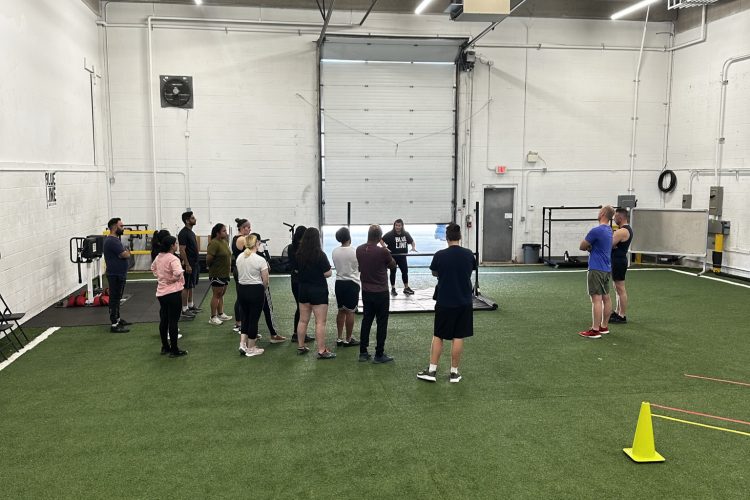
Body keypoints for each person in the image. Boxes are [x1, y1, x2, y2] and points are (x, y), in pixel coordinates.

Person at [417, 223, 476, 383]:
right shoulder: (469, 254)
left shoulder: (440, 255)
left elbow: (435, 272)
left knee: (438, 335)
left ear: (447, 237)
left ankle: (432, 371)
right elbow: (470, 269)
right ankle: (454, 373)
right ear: (460, 236)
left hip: (445, 301)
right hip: (464, 301)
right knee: (458, 336)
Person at [356, 224, 397, 363]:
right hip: (381, 292)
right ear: (380, 237)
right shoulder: (383, 252)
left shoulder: (359, 250)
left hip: (366, 291)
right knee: (382, 323)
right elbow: (393, 266)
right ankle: (379, 354)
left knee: (366, 321)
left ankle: (363, 352)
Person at [295, 227, 335, 359]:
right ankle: (322, 350)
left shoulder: (299, 254)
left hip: (303, 290)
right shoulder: (320, 254)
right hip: (318, 291)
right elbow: (328, 272)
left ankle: (301, 346)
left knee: (303, 320)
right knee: (320, 322)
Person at [578, 205, 615, 339]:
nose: (598, 213)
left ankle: (595, 330)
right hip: (606, 268)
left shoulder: (597, 230)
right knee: (606, 297)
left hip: (596, 268)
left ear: (603, 213)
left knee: (596, 299)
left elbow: (582, 246)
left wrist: (589, 247)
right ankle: (603, 326)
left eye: (600, 211)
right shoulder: (609, 230)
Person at [151, 234, 187, 357]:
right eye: (176, 243)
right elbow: (178, 273)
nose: (177, 245)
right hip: (172, 293)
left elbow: (153, 269)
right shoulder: (173, 258)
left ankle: (165, 347)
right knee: (173, 321)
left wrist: (162, 278)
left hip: (161, 293)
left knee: (164, 320)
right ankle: (174, 349)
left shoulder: (159, 257)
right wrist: (172, 280)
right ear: (172, 246)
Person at [234, 234, 267, 357]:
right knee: (253, 319)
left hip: (242, 290)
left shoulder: (239, 257)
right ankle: (252, 347)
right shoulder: (260, 260)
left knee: (245, 318)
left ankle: (242, 344)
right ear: (256, 244)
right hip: (255, 290)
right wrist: (262, 289)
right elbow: (265, 280)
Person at [249, 232, 286, 343]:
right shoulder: (260, 257)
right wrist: (264, 287)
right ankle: (273, 335)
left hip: (247, 288)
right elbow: (267, 271)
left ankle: (252, 335)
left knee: (252, 312)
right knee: (268, 310)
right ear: (258, 242)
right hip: (260, 287)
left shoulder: (243, 256)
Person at [331, 227, 360, 347]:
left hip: (339, 283)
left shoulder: (334, 251)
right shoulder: (354, 252)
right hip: (352, 283)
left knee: (341, 311)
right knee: (350, 312)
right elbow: (359, 267)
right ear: (349, 237)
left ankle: (339, 338)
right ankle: (348, 339)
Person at [102, 217, 131, 333]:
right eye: (121, 226)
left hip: (118, 273)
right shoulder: (112, 241)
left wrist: (125, 253)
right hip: (115, 274)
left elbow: (123, 254)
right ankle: (114, 324)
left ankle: (118, 319)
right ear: (114, 227)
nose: (123, 228)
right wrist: (126, 252)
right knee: (114, 298)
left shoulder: (114, 240)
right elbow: (125, 254)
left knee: (118, 297)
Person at [289, 225, 314, 344]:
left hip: (294, 280)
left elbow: (294, 265)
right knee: (302, 308)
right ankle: (298, 334)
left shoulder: (290, 247)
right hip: (302, 281)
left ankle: (297, 333)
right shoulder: (303, 248)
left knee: (299, 307)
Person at [381, 218, 417, 296]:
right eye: (396, 225)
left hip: (403, 257)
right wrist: (384, 247)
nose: (397, 227)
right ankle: (393, 289)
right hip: (393, 257)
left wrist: (413, 247)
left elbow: (412, 241)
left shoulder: (406, 234)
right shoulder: (390, 234)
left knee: (405, 272)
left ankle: (406, 288)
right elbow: (381, 240)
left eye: (399, 225)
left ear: (402, 226)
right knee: (393, 272)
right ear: (394, 226)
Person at [207, 223, 233, 326]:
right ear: (217, 233)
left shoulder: (224, 242)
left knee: (221, 294)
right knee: (216, 294)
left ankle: (220, 313)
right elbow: (209, 258)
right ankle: (213, 317)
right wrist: (211, 267)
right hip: (216, 273)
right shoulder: (214, 243)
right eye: (224, 231)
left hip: (224, 273)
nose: (226, 233)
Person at [610, 208, 633, 324]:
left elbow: (608, 245)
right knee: (617, 288)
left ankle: (622, 315)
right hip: (617, 260)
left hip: (619, 261)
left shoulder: (622, 231)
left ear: (620, 217)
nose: (613, 218)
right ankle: (617, 312)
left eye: (615, 216)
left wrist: (612, 244)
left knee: (620, 289)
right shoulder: (622, 230)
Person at [178, 211, 201, 319]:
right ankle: (184, 308)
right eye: (192, 218)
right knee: (186, 286)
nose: (195, 219)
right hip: (189, 264)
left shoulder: (191, 232)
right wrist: (187, 264)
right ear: (187, 221)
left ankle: (191, 305)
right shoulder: (183, 233)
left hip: (194, 263)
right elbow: (182, 250)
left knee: (191, 285)